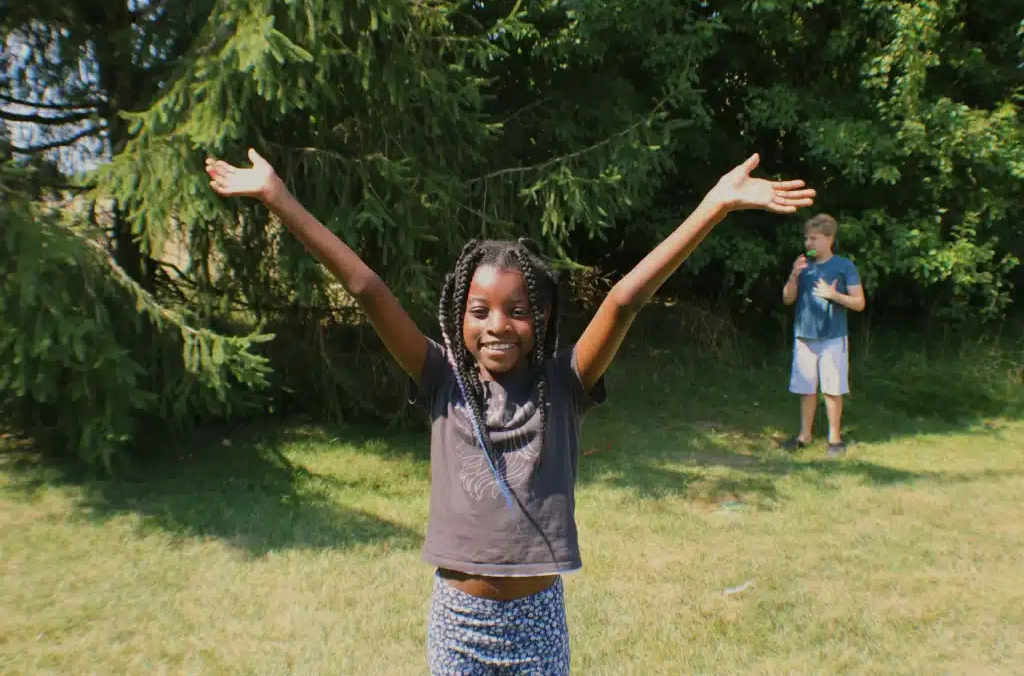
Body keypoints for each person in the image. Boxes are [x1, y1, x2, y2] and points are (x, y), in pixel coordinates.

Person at [205, 148, 815, 674]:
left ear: (542, 318)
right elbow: (368, 290)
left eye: (516, 310)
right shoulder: (441, 377)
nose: (498, 325)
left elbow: (626, 299)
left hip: (536, 622)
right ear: (458, 315)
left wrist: (714, 204)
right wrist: (278, 198)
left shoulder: (567, 380)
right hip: (458, 621)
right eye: (480, 310)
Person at [781, 213, 866, 457]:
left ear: (829, 239)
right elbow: (787, 298)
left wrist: (833, 295)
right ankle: (804, 437)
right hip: (804, 336)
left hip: (833, 337)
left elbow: (859, 303)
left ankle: (835, 440)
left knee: (832, 389)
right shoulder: (803, 266)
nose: (808, 244)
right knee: (807, 389)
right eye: (807, 238)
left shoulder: (844, 266)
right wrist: (794, 275)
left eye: (814, 239)